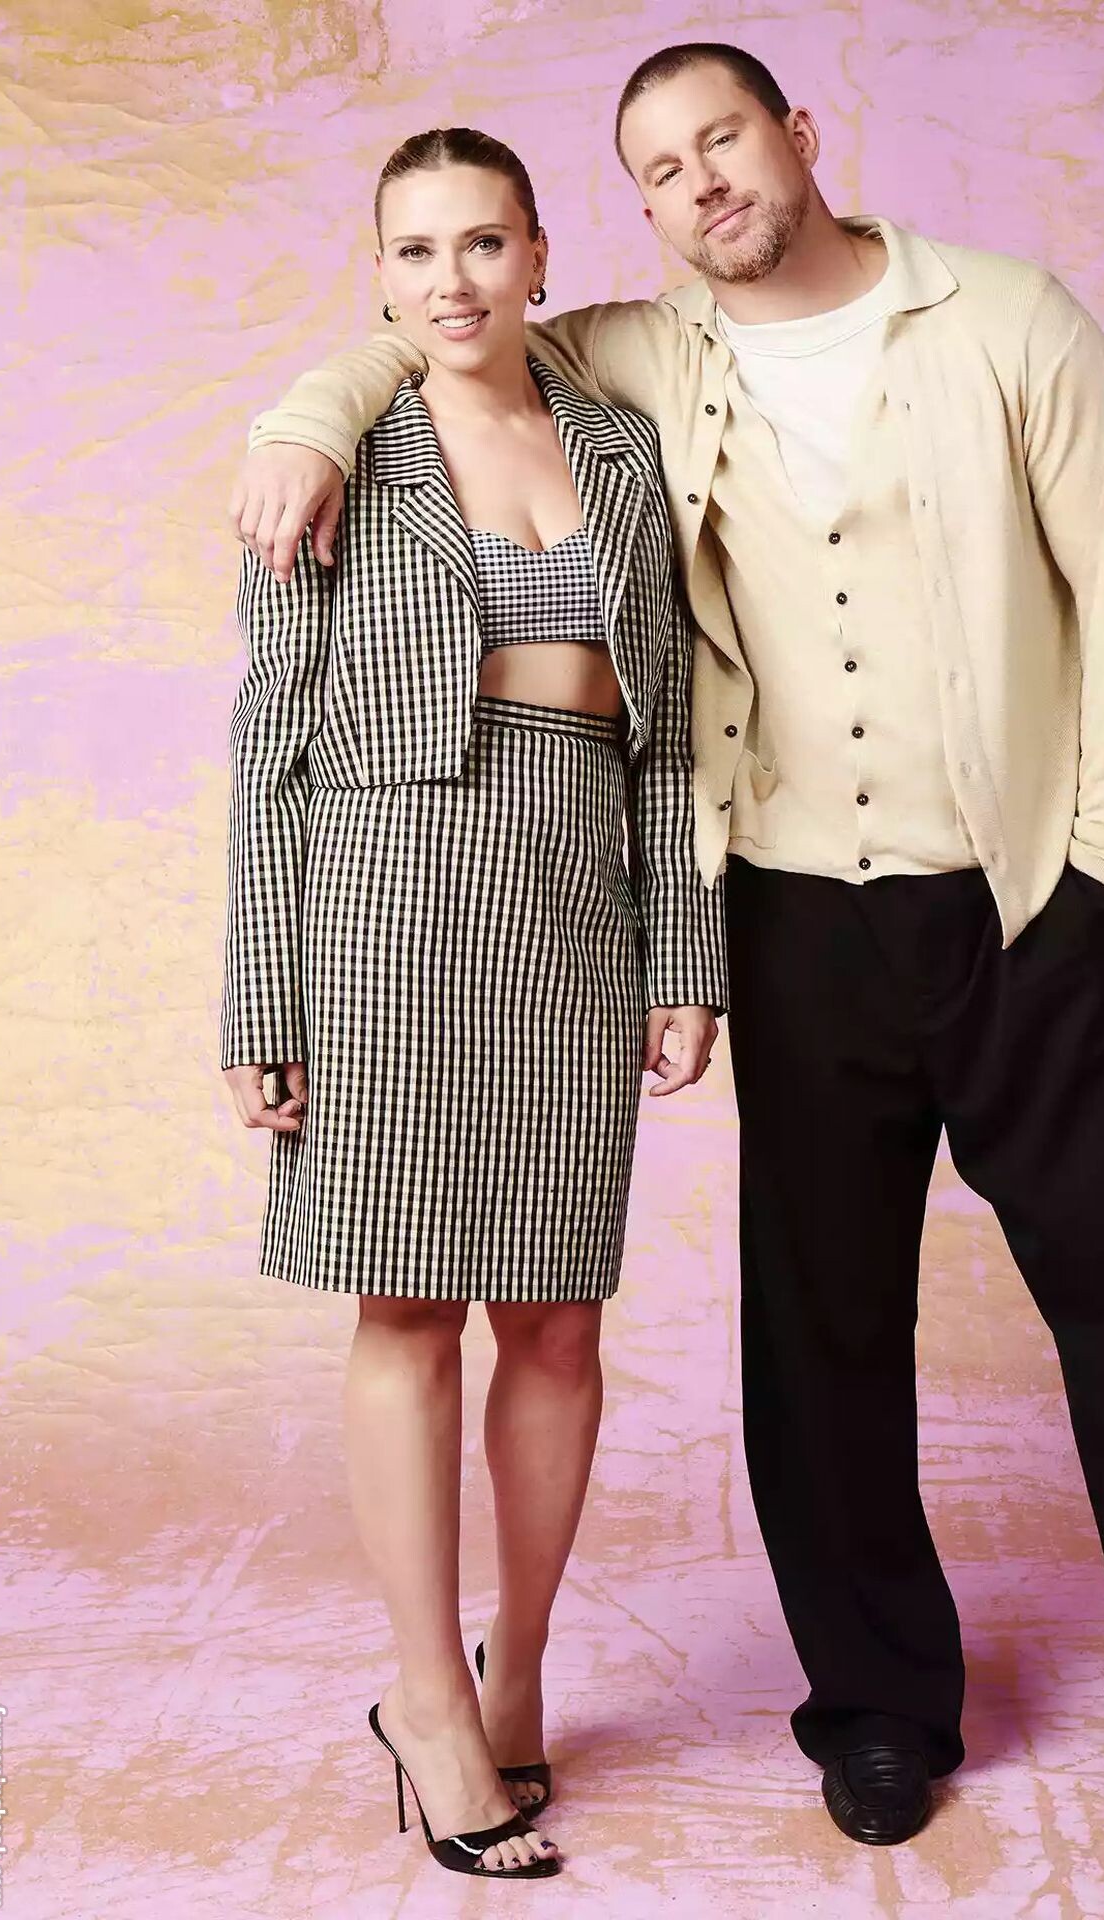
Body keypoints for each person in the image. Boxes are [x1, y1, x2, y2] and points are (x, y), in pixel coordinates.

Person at [225, 48, 1104, 1850]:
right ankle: (877, 1717)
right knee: (822, 1342)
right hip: (793, 909)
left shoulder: (1011, 323)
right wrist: (304, 420)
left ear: (799, 137)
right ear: (640, 212)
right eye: (662, 169)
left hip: (1023, 899)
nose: (702, 185)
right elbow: (441, 339)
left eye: (723, 140)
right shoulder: (646, 352)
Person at [218, 124, 727, 1881]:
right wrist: (257, 992)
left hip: (578, 903)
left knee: (561, 1321)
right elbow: (267, 738)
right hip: (384, 909)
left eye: (485, 243)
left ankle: (521, 1672)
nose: (454, 280)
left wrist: (686, 957)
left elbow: (672, 733)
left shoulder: (619, 444)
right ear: (379, 273)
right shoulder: (331, 456)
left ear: (538, 255)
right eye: (418, 250)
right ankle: (428, 1701)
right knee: (412, 1309)